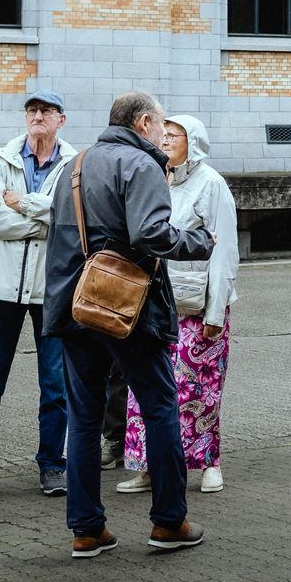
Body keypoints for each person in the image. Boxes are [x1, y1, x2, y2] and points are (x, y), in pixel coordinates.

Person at [46, 91, 213, 559]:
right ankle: (169, 521)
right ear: (143, 123)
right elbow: (150, 234)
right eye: (161, 125)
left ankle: (86, 530)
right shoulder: (141, 165)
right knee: (160, 406)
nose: (164, 134)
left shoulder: (74, 165)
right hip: (127, 308)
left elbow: (58, 237)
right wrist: (199, 241)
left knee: (83, 418)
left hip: (76, 305)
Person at [0, 90, 78, 503]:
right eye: (32, 110)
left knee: (56, 386)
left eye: (46, 111)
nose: (37, 116)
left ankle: (52, 465)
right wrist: (43, 219)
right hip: (0, 288)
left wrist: (21, 204)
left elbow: (75, 219)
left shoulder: (74, 166)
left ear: (61, 119)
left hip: (52, 290)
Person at [116, 114, 240, 496]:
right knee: (144, 389)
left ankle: (208, 463)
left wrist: (216, 311)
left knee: (200, 391)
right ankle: (146, 466)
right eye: (163, 134)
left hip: (195, 307)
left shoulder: (212, 185)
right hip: (152, 304)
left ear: (195, 142)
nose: (166, 140)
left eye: (176, 135)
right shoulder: (151, 176)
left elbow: (225, 252)